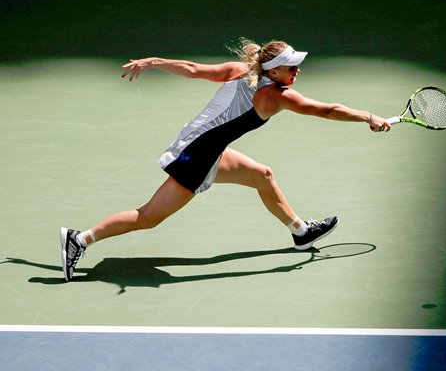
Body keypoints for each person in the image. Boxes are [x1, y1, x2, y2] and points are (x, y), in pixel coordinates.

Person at [60, 39, 392, 282]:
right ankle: (81, 239)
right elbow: (326, 111)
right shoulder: (274, 96)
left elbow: (192, 69)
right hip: (196, 156)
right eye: (291, 67)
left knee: (263, 175)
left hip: (199, 143)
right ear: (273, 70)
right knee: (148, 217)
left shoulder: (241, 71)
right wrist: (368, 116)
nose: (297, 70)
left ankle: (301, 232)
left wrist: (154, 60)